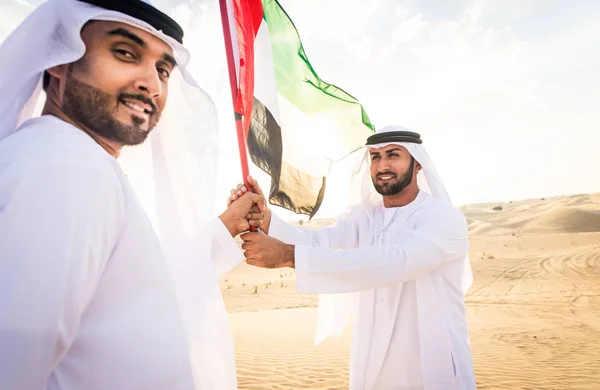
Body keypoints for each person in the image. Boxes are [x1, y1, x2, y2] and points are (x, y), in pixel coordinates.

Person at [0, 0, 263, 388]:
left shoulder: (75, 160)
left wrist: (227, 226)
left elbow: (136, 298)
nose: (151, 84)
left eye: (163, 70)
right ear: (59, 59)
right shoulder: (65, 165)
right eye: (125, 53)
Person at [229, 126, 476, 389]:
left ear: (417, 164)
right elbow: (321, 242)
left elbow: (395, 261)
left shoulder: (443, 218)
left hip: (428, 363)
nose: (382, 165)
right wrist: (267, 220)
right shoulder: (366, 216)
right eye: (375, 157)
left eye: (393, 155)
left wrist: (289, 257)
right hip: (373, 360)